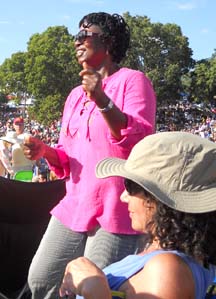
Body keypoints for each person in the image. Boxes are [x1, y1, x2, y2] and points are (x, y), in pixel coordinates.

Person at [23, 12, 156, 298]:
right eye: (76, 35)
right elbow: (69, 158)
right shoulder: (74, 95)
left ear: (107, 43)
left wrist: (102, 100)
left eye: (85, 35)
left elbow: (140, 139)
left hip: (117, 207)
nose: (77, 41)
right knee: (41, 279)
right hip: (75, 204)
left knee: (95, 289)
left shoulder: (133, 81)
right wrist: (45, 151)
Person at [59, 131, 216, 299]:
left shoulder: (166, 270)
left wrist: (95, 289)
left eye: (131, 186)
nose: (124, 196)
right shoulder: (180, 259)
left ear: (161, 201)